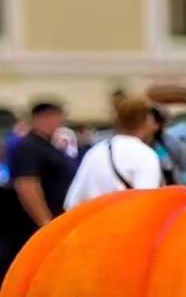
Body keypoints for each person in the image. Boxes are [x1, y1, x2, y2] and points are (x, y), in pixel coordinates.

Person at [0, 102, 76, 283]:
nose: (60, 122)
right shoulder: (30, 147)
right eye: (57, 116)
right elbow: (27, 185)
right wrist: (45, 223)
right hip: (31, 225)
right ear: (43, 117)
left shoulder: (49, 145)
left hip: (54, 218)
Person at [65, 95, 163, 208]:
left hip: (93, 222)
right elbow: (145, 204)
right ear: (146, 121)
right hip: (124, 222)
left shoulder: (96, 151)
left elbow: (72, 202)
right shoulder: (145, 155)